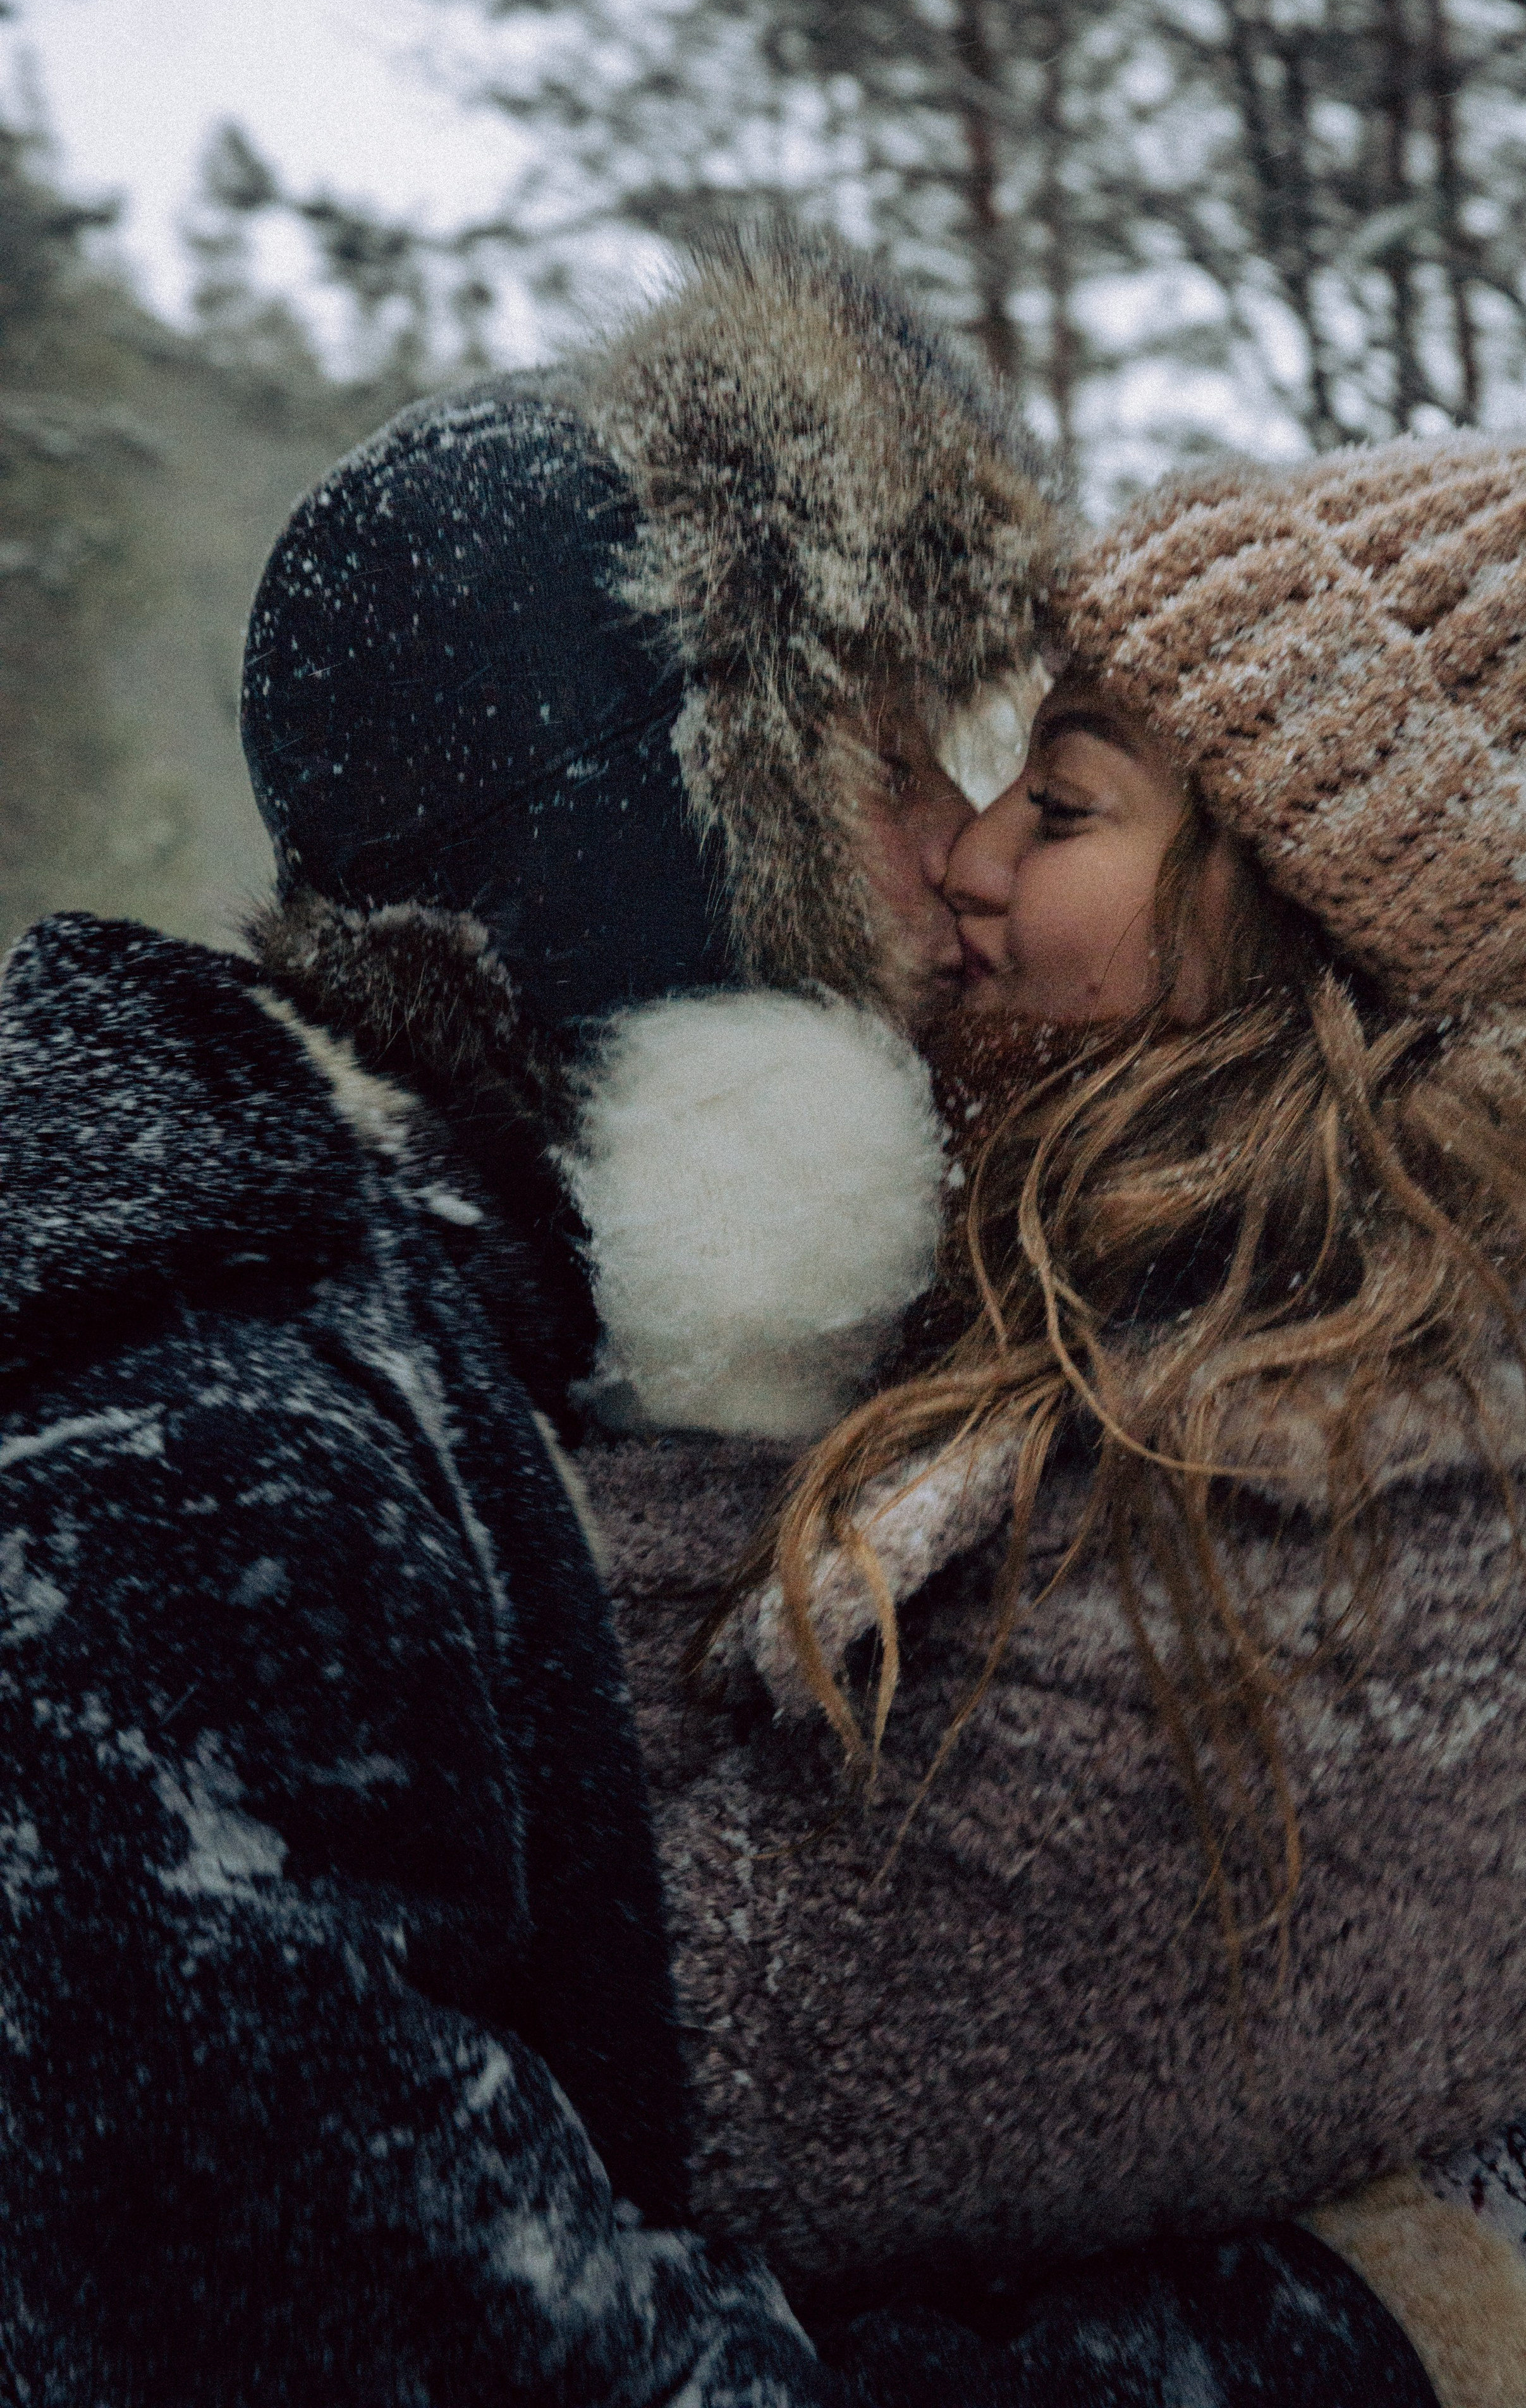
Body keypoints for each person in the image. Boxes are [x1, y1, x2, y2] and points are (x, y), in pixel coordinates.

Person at [0, 230, 1442, 2406]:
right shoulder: (195, 1457)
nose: (967, 868)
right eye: (884, 776)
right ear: (661, 844)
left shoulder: (437, 1341)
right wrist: (1361, 2341)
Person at [704, 419, 1526, 2403]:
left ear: (1317, 917)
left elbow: (750, 2047)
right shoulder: (1149, 1311)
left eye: (1066, 801)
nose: (965, 853)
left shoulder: (1382, 1493)